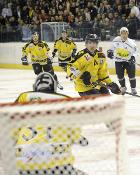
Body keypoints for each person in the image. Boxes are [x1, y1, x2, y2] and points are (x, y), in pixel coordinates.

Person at [14, 72, 88, 175]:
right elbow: (73, 129)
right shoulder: (66, 100)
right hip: (58, 162)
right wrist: (78, 138)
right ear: (53, 87)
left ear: (35, 86)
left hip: (25, 161)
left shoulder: (24, 97)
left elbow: (11, 125)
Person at [107, 27, 137, 95]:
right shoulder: (115, 40)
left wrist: (133, 57)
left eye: (125, 33)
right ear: (120, 34)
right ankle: (123, 87)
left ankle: (133, 88)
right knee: (120, 75)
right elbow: (110, 49)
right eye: (122, 33)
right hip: (118, 61)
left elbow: (134, 52)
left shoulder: (132, 43)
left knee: (132, 75)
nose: (124, 35)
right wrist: (109, 52)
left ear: (128, 33)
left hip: (128, 61)